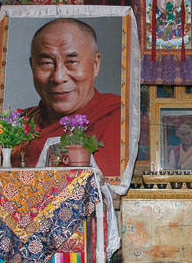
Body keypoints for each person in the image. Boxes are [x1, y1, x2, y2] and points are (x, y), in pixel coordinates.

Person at [14, 18, 121, 173]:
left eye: (71, 62)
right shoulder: (19, 125)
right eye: (46, 63)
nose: (58, 77)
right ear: (32, 66)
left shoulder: (118, 117)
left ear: (95, 64)